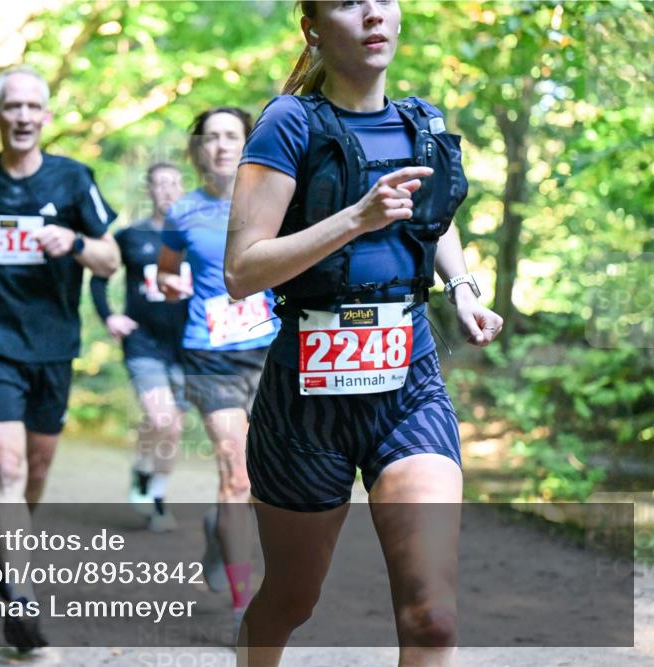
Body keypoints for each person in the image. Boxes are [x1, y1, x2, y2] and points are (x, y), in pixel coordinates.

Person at [224, 1, 504, 665]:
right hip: (306, 397)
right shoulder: (289, 122)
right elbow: (241, 270)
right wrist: (356, 217)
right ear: (313, 27)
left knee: (432, 615)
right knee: (292, 598)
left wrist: (462, 287)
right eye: (350, 2)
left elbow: (431, 219)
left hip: (408, 385)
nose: (373, 13)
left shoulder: (420, 120)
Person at [0, 65, 120, 652]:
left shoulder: (73, 179)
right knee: (8, 464)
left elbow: (110, 259)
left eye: (32, 108)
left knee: (36, 471)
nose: (22, 117)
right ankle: (20, 594)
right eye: (11, 107)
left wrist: (73, 242)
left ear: (45, 117)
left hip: (53, 347)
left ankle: (3, 540)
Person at [156, 107, 278, 632]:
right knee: (236, 472)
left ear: (248, 143)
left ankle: (217, 527)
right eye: (211, 138)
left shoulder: (277, 201)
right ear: (198, 149)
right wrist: (171, 285)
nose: (222, 146)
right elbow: (165, 272)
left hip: (274, 352)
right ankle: (239, 604)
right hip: (210, 354)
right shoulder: (182, 212)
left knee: (270, 481)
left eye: (232, 137)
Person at [90, 162, 188, 531]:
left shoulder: (197, 237)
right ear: (148, 190)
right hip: (143, 342)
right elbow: (100, 277)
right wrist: (109, 316)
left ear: (183, 190)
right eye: (159, 184)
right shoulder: (130, 236)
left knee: (171, 428)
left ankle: (152, 483)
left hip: (187, 344)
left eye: (173, 184)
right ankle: (150, 486)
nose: (166, 191)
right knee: (162, 418)